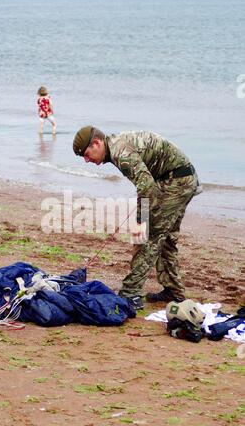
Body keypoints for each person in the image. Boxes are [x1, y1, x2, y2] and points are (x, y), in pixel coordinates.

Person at [72, 126, 200, 310]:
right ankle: (173, 291)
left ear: (97, 143)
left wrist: (141, 219)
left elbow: (147, 186)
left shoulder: (120, 153)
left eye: (86, 154)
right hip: (176, 179)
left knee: (146, 237)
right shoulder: (115, 146)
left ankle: (131, 293)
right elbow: (147, 183)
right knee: (166, 239)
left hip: (177, 181)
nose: (86, 160)